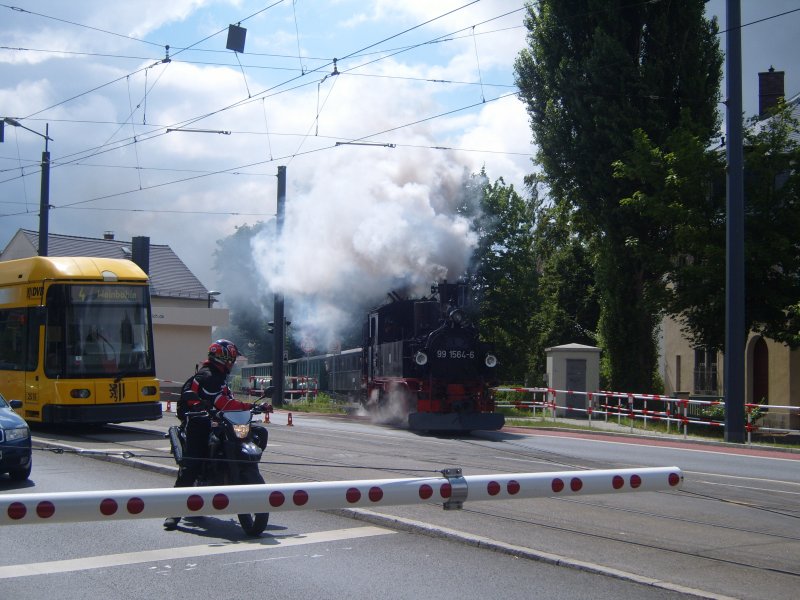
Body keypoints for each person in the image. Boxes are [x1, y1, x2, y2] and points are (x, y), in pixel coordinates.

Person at [164, 339, 255, 530]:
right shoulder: (208, 376)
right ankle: (173, 512)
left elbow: (228, 399)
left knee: (257, 432)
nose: (232, 362)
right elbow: (222, 402)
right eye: (231, 358)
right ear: (222, 358)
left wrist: (255, 408)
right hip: (197, 419)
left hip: (213, 419)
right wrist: (249, 405)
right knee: (192, 464)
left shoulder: (219, 377)